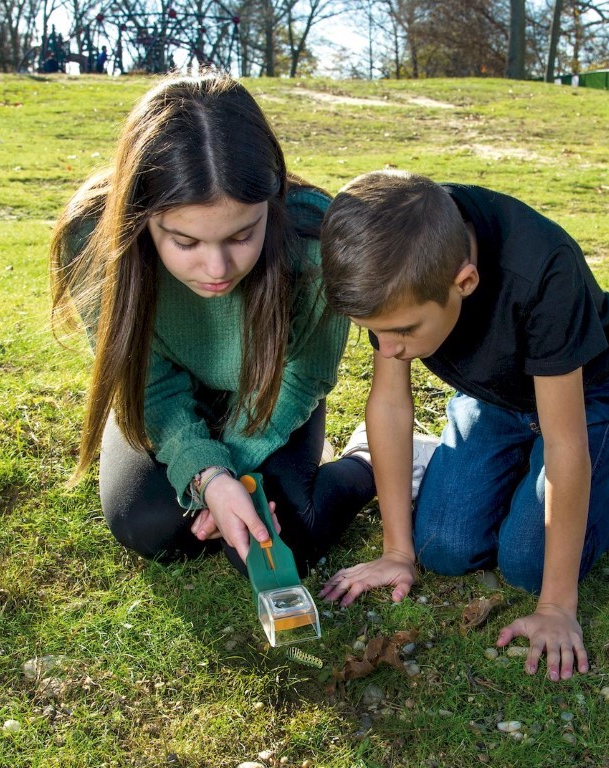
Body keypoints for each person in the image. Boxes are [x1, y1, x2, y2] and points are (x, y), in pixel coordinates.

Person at [318, 170, 609, 682]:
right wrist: (396, 551)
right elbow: (391, 404)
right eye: (374, 333)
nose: (389, 347)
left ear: (464, 281)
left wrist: (556, 606)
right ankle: (512, 471)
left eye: (401, 331)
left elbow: (563, 442)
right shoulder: (396, 254)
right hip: (497, 392)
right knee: (443, 547)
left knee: (528, 561)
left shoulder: (542, 269)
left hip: (588, 392)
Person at [49, 73, 379, 576]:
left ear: (271, 199)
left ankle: (364, 460)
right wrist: (208, 477)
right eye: (186, 243)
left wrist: (232, 468)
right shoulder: (93, 240)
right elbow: (145, 383)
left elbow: (302, 376)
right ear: (142, 217)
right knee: (150, 524)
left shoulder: (315, 238)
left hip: (272, 393)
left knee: (285, 533)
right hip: (164, 397)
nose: (219, 269)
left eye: (242, 234)